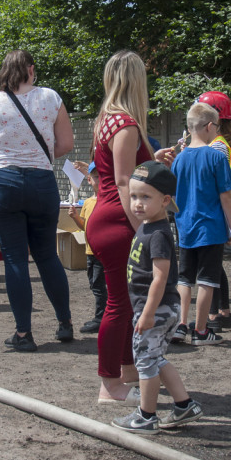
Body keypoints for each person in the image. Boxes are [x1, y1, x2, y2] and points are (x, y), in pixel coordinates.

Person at [0, 49, 75, 351]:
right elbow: (67, 143)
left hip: (4, 183)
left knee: (15, 258)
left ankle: (23, 334)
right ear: (31, 69)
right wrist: (40, 157)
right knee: (46, 255)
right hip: (41, 182)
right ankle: (64, 323)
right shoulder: (50, 98)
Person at [111, 161, 204, 434]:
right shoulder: (148, 225)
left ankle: (146, 416)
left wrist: (148, 313)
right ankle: (185, 405)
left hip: (157, 310)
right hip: (159, 309)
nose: (137, 204)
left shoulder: (159, 233)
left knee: (146, 363)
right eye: (134, 196)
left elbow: (160, 277)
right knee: (158, 359)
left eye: (145, 197)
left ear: (165, 201)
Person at [87, 50, 154, 402]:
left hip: (105, 216)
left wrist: (155, 159)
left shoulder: (107, 120)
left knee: (126, 301)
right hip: (118, 220)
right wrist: (143, 228)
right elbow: (125, 180)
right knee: (120, 304)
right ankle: (109, 384)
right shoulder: (126, 124)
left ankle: (125, 371)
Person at [170, 102, 231, 346]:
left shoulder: (178, 159)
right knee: (208, 279)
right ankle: (200, 330)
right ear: (209, 126)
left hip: (185, 226)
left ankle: (180, 325)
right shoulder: (216, 156)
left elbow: (174, 195)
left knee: (184, 278)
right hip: (211, 227)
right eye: (217, 126)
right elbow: (225, 196)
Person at [197, 90, 231, 331]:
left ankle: (215, 315)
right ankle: (223, 311)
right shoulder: (212, 144)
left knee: (209, 265)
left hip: (211, 212)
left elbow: (218, 186)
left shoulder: (217, 147)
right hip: (209, 211)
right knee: (213, 265)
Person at [68, 161, 104, 333]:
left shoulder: (109, 201)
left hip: (102, 253)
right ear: (89, 180)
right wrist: (75, 217)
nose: (101, 179)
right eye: (96, 176)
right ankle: (102, 315)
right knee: (94, 284)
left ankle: (101, 317)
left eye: (104, 175)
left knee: (99, 286)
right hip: (90, 252)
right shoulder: (88, 203)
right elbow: (84, 226)